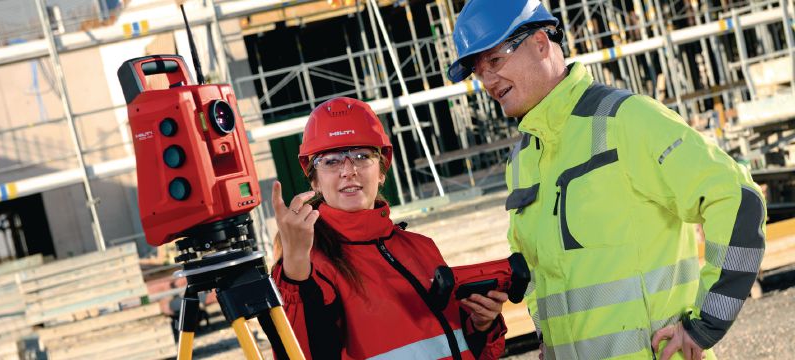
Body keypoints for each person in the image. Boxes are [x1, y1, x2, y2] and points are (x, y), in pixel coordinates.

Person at [447, 1, 766, 359]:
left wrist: (705, 325)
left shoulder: (625, 120)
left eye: (494, 60)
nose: (487, 81)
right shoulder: (521, 160)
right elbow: (539, 273)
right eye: (478, 70)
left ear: (540, 43)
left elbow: (737, 199)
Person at [270, 97, 508, 359]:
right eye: (331, 161)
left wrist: (481, 325)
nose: (348, 170)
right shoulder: (311, 269)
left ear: (382, 171)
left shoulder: (422, 247)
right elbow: (299, 353)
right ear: (314, 180)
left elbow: (465, 349)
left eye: (361, 156)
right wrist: (294, 266)